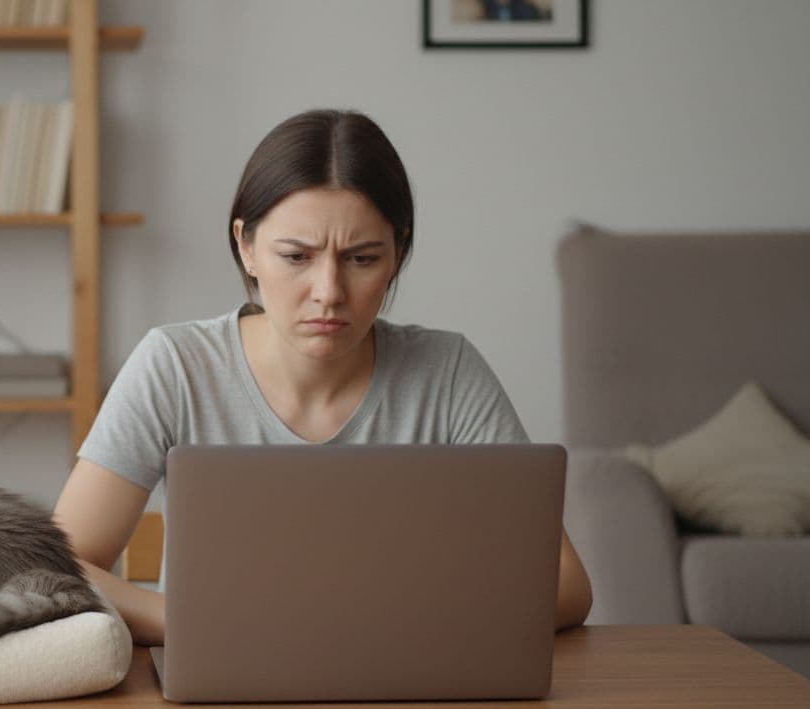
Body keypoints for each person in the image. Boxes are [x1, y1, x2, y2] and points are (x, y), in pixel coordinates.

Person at [52, 109, 593, 646]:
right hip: (223, 689)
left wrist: (388, 629)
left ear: (398, 252)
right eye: (296, 256)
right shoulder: (175, 364)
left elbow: (566, 586)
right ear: (246, 246)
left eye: (361, 259)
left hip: (409, 694)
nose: (329, 291)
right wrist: (194, 625)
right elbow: (57, 569)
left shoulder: (447, 372)